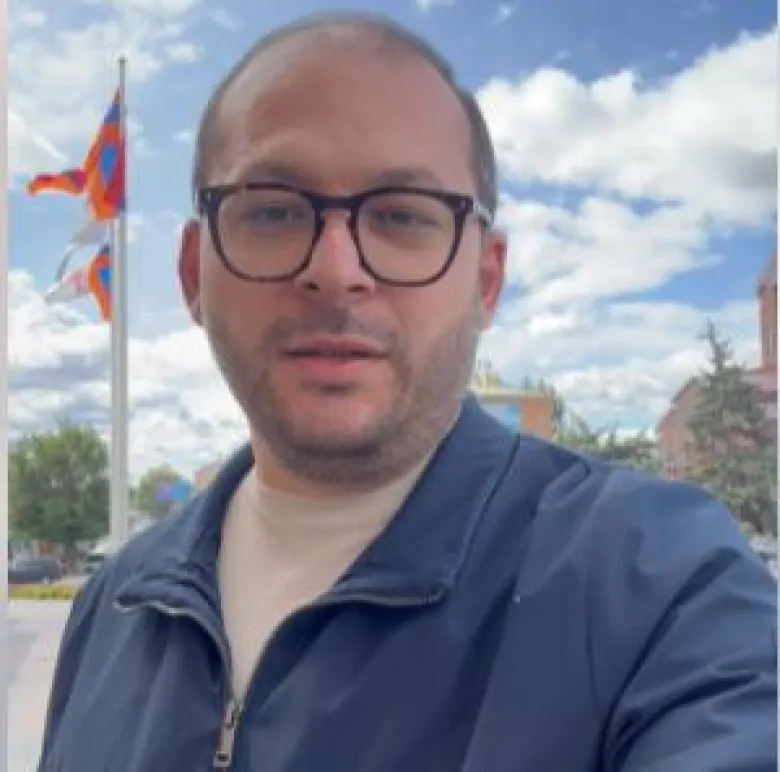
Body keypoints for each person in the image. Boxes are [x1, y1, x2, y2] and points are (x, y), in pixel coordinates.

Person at [38, 12, 776, 772]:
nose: (336, 270)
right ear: (193, 272)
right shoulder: (115, 607)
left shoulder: (662, 589)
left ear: (486, 279)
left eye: (401, 216)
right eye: (273, 210)